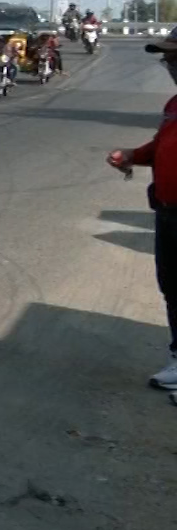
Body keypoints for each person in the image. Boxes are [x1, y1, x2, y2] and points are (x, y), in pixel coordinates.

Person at [105, 33, 177, 391]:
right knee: (172, 286)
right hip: (168, 211)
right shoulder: (175, 104)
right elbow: (163, 144)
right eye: (167, 59)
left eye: (174, 58)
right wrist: (135, 155)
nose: (169, 66)